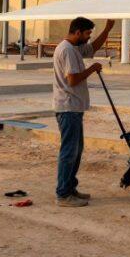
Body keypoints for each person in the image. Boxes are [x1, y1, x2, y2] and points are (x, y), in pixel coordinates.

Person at [52, 16, 115, 207]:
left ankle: (70, 187)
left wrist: (107, 30)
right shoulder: (67, 50)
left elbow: (92, 48)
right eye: (87, 33)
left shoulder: (74, 48)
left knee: (76, 150)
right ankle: (63, 194)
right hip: (68, 107)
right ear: (77, 32)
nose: (88, 37)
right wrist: (92, 69)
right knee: (69, 151)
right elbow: (72, 80)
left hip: (74, 107)